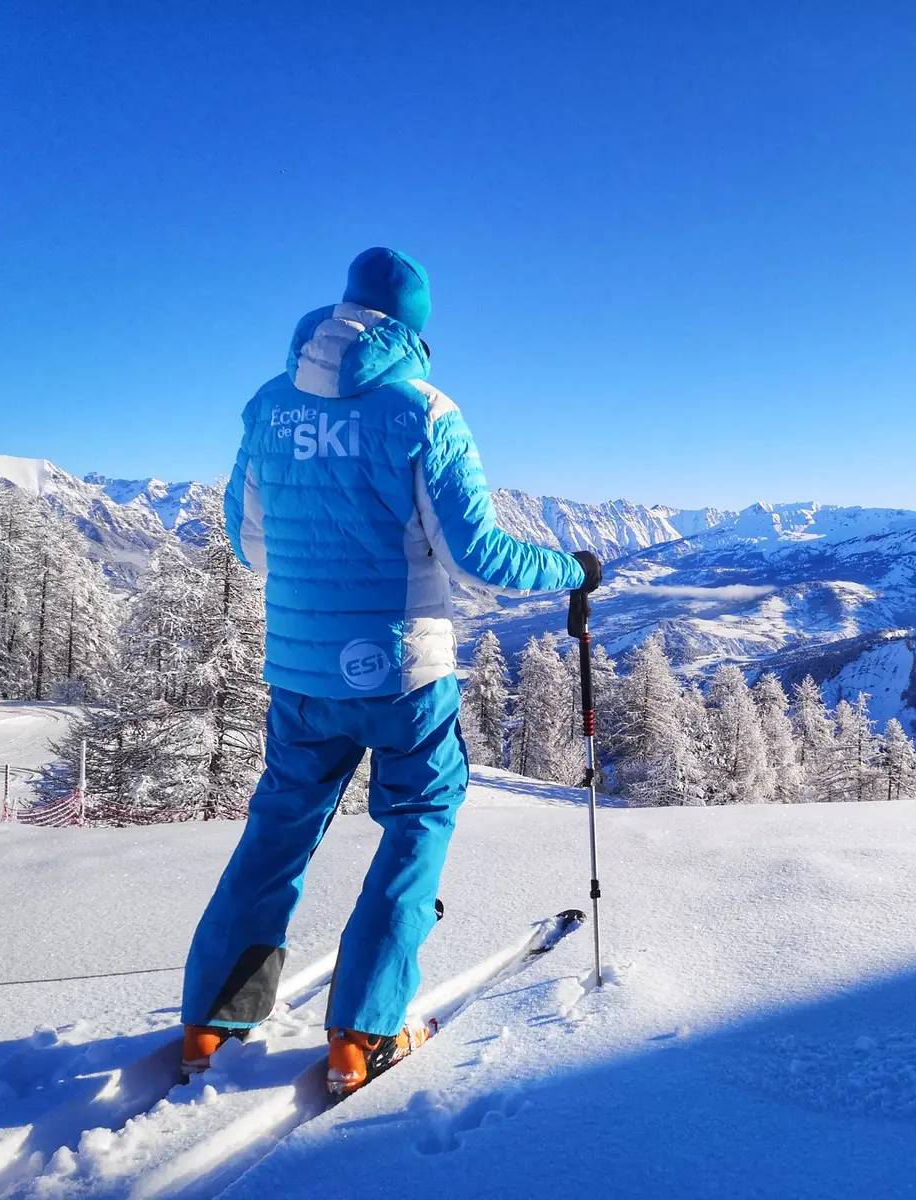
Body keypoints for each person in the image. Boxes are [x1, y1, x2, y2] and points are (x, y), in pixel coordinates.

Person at [179, 247, 603, 1096]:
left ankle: (209, 1022)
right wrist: (574, 572)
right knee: (416, 821)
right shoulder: (425, 411)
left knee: (279, 830)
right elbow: (476, 553)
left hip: (301, 676)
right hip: (404, 675)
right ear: (414, 325)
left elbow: (248, 543)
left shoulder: (269, 406)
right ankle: (361, 1035)